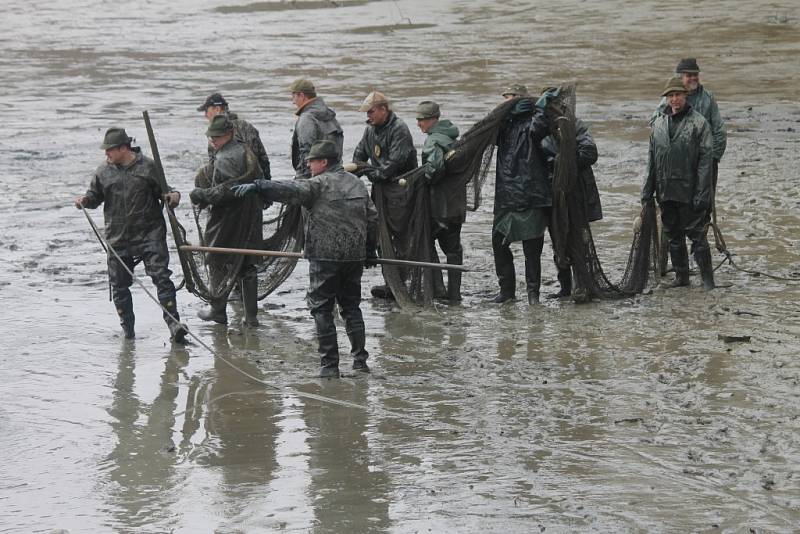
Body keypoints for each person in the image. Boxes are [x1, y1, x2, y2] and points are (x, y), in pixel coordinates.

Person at [231, 140, 378, 378]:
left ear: (324, 162)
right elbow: (372, 218)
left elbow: (288, 190)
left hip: (325, 256)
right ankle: (360, 361)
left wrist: (259, 186)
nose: (308, 165)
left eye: (312, 161)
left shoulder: (317, 185)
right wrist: (370, 251)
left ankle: (329, 366)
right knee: (351, 307)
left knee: (321, 308)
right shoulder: (357, 184)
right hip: (354, 257)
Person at [74, 127, 188, 341]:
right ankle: (128, 331)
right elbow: (94, 197)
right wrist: (85, 201)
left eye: (110, 150)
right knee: (119, 286)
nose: (106, 154)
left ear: (124, 148)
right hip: (118, 238)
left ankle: (174, 324)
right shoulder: (102, 172)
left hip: (150, 234)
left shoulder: (148, 167)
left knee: (162, 278)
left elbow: (166, 191)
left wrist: (174, 196)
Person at [189, 114, 264, 325]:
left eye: (218, 137)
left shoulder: (225, 158)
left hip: (229, 219)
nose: (213, 140)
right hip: (251, 215)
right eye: (211, 136)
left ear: (230, 134)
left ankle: (217, 309)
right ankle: (251, 317)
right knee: (248, 265)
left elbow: (227, 191)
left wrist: (200, 195)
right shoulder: (245, 150)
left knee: (215, 259)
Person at [643, 76, 714, 290]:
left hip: (690, 190)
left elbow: (705, 162)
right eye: (671, 96)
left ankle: (708, 280)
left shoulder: (699, 123)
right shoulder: (658, 124)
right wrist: (647, 191)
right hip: (666, 191)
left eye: (678, 95)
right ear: (666, 99)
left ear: (686, 96)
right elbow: (652, 160)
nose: (674, 99)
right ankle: (681, 278)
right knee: (673, 235)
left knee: (697, 236)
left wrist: (702, 193)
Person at [491, 84, 553, 305]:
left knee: (532, 249)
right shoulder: (504, 125)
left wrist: (541, 108)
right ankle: (507, 291)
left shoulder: (534, 121)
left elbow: (539, 130)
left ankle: (533, 294)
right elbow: (489, 135)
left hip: (531, 195)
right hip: (506, 197)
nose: (505, 102)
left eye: (509, 98)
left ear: (519, 99)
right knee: (498, 242)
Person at [352, 91, 417, 299]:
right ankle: (391, 282)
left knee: (401, 238)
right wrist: (355, 170)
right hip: (380, 191)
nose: (368, 116)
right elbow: (359, 155)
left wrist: (370, 171)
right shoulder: (370, 129)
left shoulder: (400, 129)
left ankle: (403, 284)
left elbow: (391, 166)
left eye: (371, 112)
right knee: (380, 237)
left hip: (401, 192)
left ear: (383, 109)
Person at [540, 99, 602, 299]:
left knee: (578, 241)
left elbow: (590, 152)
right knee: (558, 240)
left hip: (576, 195)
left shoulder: (576, 126)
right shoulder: (540, 130)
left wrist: (566, 163)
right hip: (553, 197)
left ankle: (582, 285)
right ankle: (565, 287)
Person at [415, 100, 463, 302]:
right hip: (456, 203)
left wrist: (422, 180)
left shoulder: (434, 141)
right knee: (453, 249)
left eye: (422, 120)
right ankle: (454, 294)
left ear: (432, 120)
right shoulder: (451, 137)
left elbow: (434, 168)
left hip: (439, 206)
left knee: (425, 243)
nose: (418, 124)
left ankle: (438, 289)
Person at [197, 92, 272, 179]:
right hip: (257, 181)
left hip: (232, 184)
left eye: (206, 111)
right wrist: (266, 184)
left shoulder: (216, 135)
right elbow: (263, 159)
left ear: (217, 109)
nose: (205, 115)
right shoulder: (247, 126)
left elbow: (214, 168)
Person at [289, 79, 344, 179]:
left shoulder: (306, 119)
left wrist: (301, 182)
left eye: (294, 96)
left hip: (314, 179)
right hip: (335, 176)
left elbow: (306, 154)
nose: (293, 102)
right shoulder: (330, 116)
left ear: (302, 96)